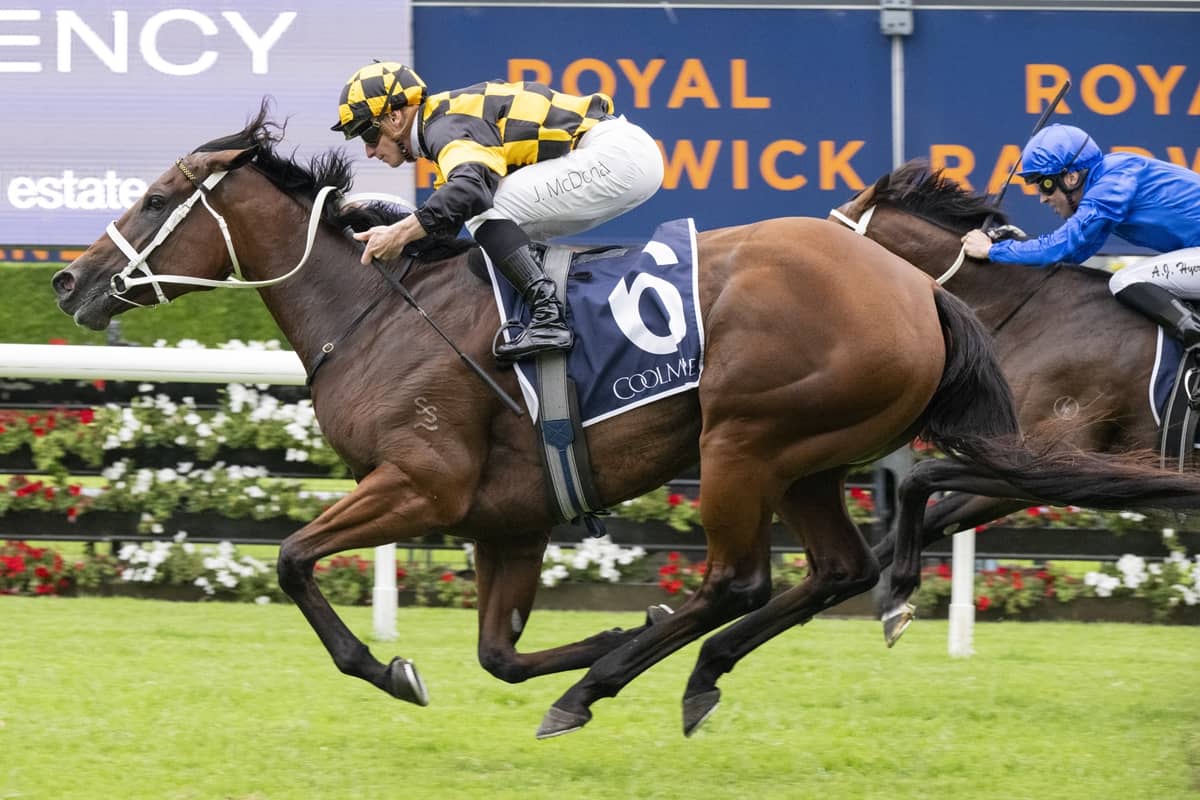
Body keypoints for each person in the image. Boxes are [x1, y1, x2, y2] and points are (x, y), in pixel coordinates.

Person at [331, 61, 665, 361]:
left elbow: (469, 193)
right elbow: (446, 224)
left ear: (395, 117)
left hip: (617, 156)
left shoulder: (443, 126)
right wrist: (391, 231)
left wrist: (400, 232)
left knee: (485, 208)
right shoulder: (444, 123)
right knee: (493, 243)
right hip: (625, 157)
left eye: (367, 133)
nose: (369, 150)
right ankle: (562, 306)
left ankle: (549, 316)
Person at [961, 123, 1200, 348]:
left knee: (1125, 280)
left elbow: (1061, 246)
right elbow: (1075, 253)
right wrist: (1015, 246)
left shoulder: (1112, 184)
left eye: (1045, 185)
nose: (1043, 198)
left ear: (1072, 177)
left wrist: (991, 250)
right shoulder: (1109, 179)